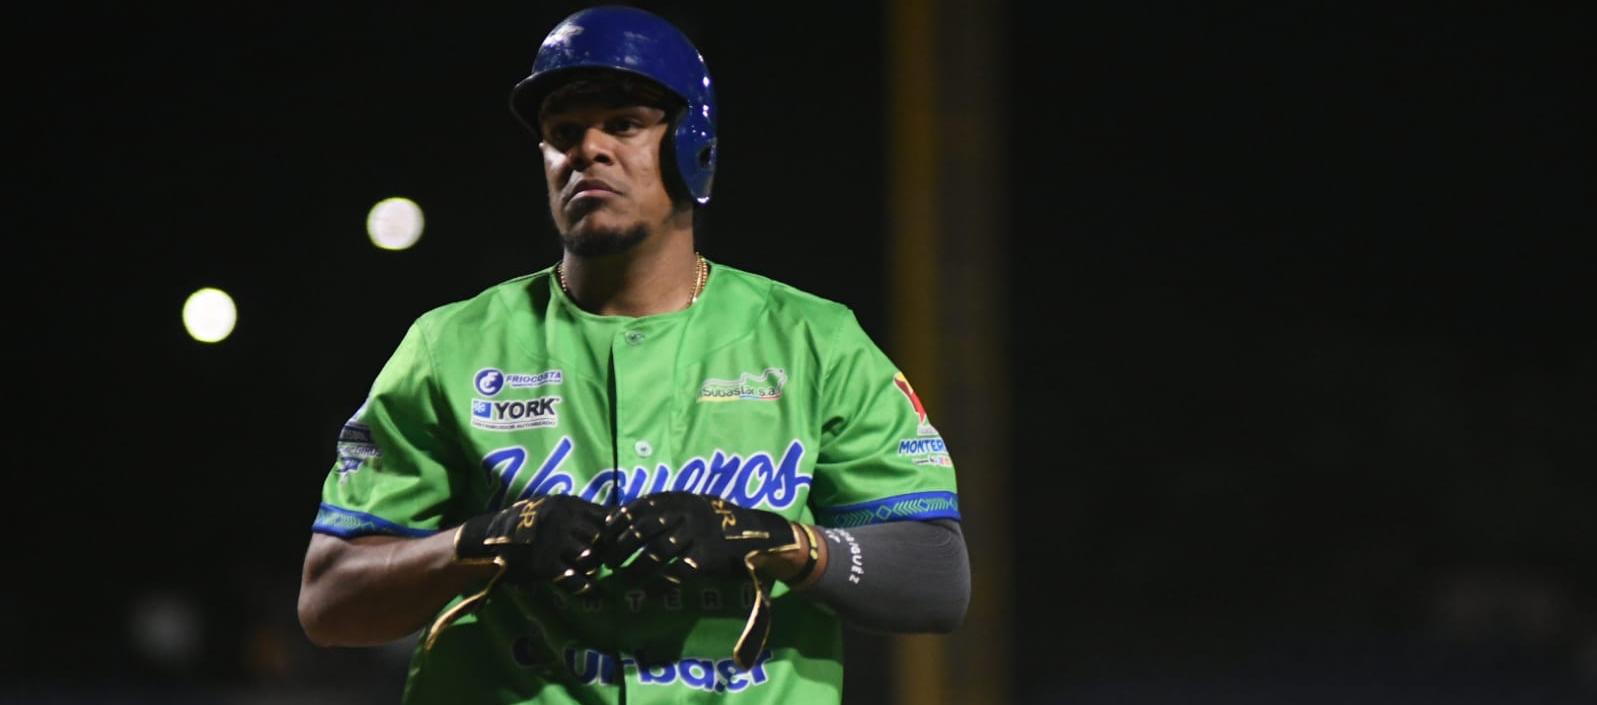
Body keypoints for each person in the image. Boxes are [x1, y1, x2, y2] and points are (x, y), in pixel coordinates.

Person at [296, 6, 969, 703]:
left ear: (690, 140)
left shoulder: (813, 340)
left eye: (621, 123)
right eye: (562, 133)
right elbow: (329, 599)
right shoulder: (451, 345)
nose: (585, 150)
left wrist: (781, 542)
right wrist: (480, 541)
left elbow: (935, 577)